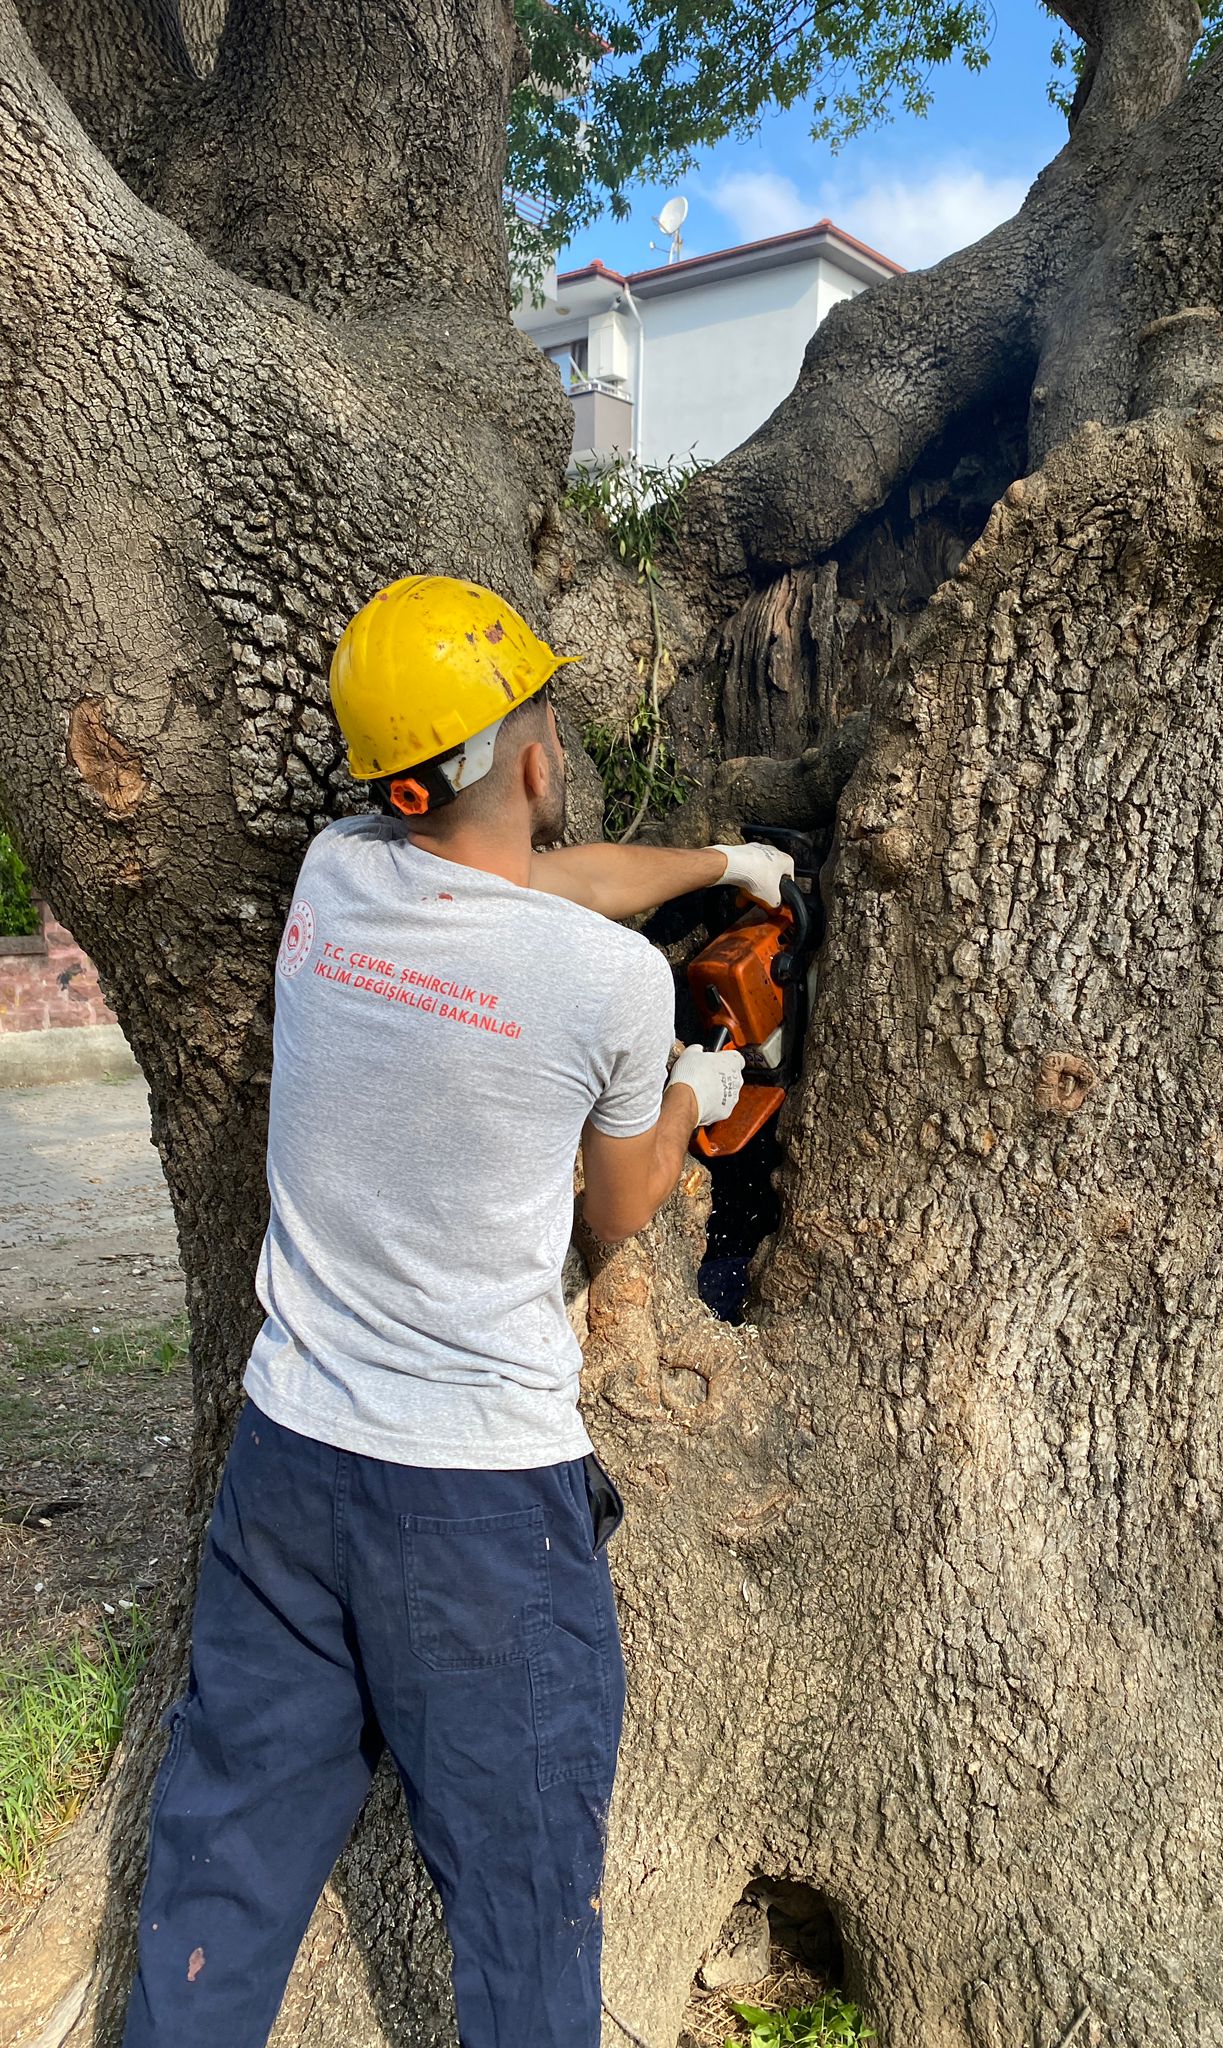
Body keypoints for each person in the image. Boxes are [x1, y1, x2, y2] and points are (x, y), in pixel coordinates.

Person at [122, 574, 793, 2048]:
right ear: (541, 763)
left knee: (219, 1880)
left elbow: (530, 892)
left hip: (288, 1467)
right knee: (521, 1910)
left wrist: (714, 865)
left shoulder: (337, 874)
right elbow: (617, 1209)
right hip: (478, 1507)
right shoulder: (609, 989)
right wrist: (704, 1084)